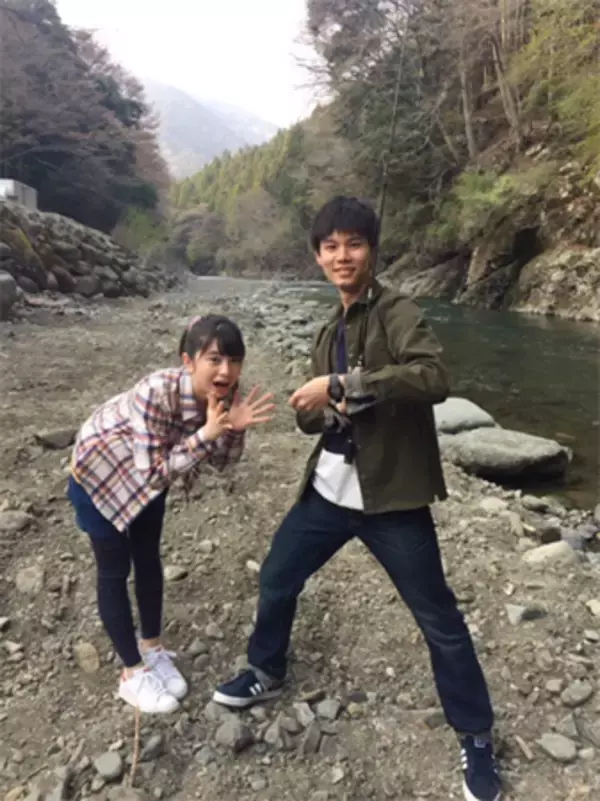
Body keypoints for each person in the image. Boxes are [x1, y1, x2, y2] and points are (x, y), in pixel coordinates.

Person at [212, 198, 502, 801]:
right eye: (331, 247)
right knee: (277, 576)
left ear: (371, 250)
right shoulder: (327, 331)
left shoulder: (398, 311)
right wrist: (313, 409)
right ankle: (267, 669)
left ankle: (475, 734)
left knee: (439, 619)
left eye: (354, 244)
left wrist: (344, 383)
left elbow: (433, 377)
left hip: (392, 498)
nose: (342, 256)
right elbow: (314, 422)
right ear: (318, 257)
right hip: (328, 491)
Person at [68, 314, 274, 714]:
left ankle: (152, 648)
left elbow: (222, 464)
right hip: (101, 475)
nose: (226, 371)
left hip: (154, 476)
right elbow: (154, 472)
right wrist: (206, 435)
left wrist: (234, 428)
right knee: (114, 569)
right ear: (188, 361)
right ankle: (131, 673)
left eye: (234, 360)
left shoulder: (226, 393)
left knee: (148, 558)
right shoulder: (156, 392)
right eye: (214, 359)